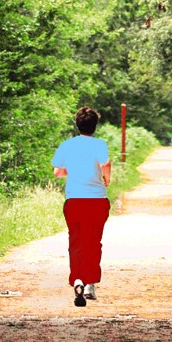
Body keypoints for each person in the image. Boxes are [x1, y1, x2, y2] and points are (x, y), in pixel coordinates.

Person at [51, 107, 111, 307]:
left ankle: (77, 279)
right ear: (95, 126)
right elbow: (106, 164)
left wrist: (71, 170)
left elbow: (57, 172)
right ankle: (90, 284)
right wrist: (106, 179)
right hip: (96, 200)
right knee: (93, 241)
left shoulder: (67, 145)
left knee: (76, 241)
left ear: (77, 125)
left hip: (74, 200)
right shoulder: (99, 145)